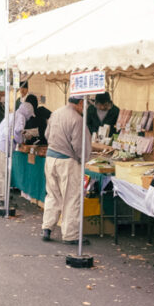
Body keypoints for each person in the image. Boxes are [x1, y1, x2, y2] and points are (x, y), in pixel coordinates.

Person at [41, 96, 93, 244]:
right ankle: (71, 235)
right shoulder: (77, 119)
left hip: (50, 158)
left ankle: (47, 228)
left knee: (52, 195)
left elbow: (46, 134)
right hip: (67, 161)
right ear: (81, 103)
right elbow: (79, 145)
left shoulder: (55, 113)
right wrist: (83, 158)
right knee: (71, 198)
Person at [0, 94, 36, 209]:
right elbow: (17, 132)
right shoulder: (21, 117)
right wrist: (24, 139)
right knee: (0, 174)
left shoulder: (12, 114)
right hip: (1, 146)